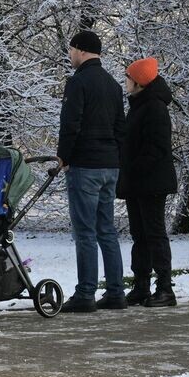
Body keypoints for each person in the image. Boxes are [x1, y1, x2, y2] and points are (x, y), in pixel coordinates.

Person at [55, 31, 127, 312]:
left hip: (84, 166)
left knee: (85, 232)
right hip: (110, 166)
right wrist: (115, 157)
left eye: (72, 50)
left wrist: (64, 157)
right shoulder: (113, 85)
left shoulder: (78, 83)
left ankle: (86, 293)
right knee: (106, 230)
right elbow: (121, 128)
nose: (70, 55)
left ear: (82, 51)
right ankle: (115, 292)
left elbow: (70, 124)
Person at [117, 57, 179, 307]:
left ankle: (165, 288)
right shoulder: (139, 105)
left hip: (151, 182)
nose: (125, 82)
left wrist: (134, 168)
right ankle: (141, 285)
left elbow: (156, 147)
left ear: (139, 82)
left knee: (154, 234)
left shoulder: (154, 107)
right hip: (138, 182)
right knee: (139, 235)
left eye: (128, 78)